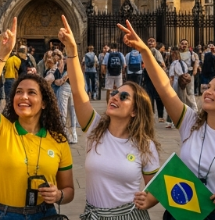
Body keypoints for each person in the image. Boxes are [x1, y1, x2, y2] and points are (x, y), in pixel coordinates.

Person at [118, 20, 215, 219]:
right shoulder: (190, 122)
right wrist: (145, 50)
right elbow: (164, 88)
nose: (207, 91)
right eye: (209, 86)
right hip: (180, 211)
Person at [59, 16, 162, 220]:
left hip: (128, 216)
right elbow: (79, 93)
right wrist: (71, 51)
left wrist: (149, 200)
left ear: (135, 111)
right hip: (94, 215)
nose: (115, 97)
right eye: (115, 93)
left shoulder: (144, 144)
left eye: (124, 97)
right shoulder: (96, 128)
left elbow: (155, 188)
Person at [0, 18, 74, 220]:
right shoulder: (0, 131)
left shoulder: (58, 140)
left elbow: (69, 189)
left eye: (32, 93)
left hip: (45, 214)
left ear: (45, 102)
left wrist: (59, 195)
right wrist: (3, 54)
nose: (23, 97)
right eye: (19, 92)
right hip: (4, 215)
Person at [146, 38, 166, 123]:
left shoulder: (155, 52)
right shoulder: (146, 51)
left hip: (154, 74)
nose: (151, 42)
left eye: (152, 41)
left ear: (155, 44)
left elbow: (162, 64)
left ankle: (158, 115)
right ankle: (153, 115)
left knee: (156, 96)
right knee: (150, 95)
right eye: (149, 41)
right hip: (149, 74)